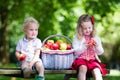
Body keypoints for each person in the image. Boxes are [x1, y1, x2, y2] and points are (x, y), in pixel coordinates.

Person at [71, 14, 108, 80]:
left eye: (89, 28)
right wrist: (83, 47)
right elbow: (75, 52)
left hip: (92, 60)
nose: (88, 30)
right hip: (81, 59)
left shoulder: (96, 38)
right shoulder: (77, 38)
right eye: (85, 28)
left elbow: (101, 52)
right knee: (82, 68)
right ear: (80, 29)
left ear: (92, 27)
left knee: (97, 71)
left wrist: (97, 46)